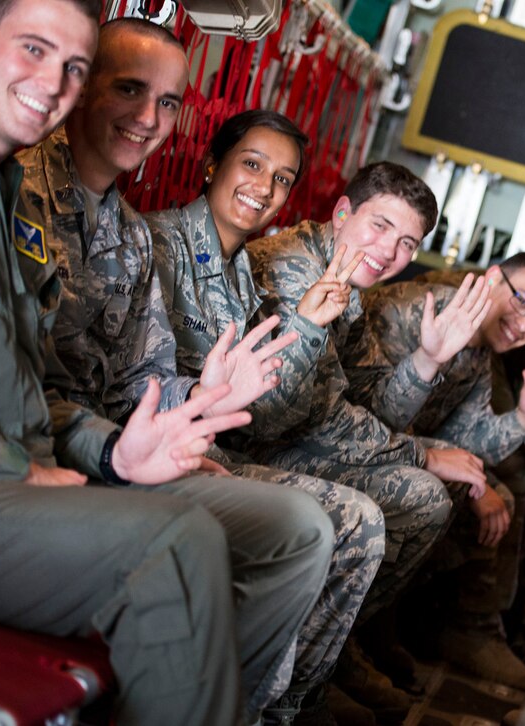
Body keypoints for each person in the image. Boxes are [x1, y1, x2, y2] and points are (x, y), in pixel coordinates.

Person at [0, 2, 333, 724]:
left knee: (302, 528)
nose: (147, 117)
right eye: (126, 88)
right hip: (24, 469)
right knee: (182, 543)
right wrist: (34, 462)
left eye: (168, 102)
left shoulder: (115, 230)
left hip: (80, 446)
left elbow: (130, 380)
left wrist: (192, 402)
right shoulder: (20, 189)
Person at [143, 110, 390, 720]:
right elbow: (137, 386)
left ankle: (277, 709)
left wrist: (306, 324)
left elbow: (266, 413)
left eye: (282, 179)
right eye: (252, 164)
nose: (265, 186)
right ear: (211, 165)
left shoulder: (245, 274)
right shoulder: (156, 243)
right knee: (352, 520)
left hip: (223, 451)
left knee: (362, 520)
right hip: (160, 451)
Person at [246, 161, 490, 712]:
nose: (391, 252)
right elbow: (325, 420)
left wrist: (427, 360)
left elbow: (374, 406)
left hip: (294, 439)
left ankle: (330, 657)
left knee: (428, 498)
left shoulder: (345, 277)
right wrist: (423, 454)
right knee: (412, 496)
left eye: (408, 243)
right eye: (380, 226)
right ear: (341, 213)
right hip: (249, 440)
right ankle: (293, 691)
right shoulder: (297, 269)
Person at [339, 252, 525, 688]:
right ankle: (345, 642)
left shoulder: (478, 351)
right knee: (433, 493)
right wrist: (455, 468)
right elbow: (363, 423)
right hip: (343, 449)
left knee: (494, 497)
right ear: (493, 278)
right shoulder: (422, 313)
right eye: (523, 301)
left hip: (394, 451)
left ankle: (383, 626)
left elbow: (467, 439)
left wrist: (524, 421)